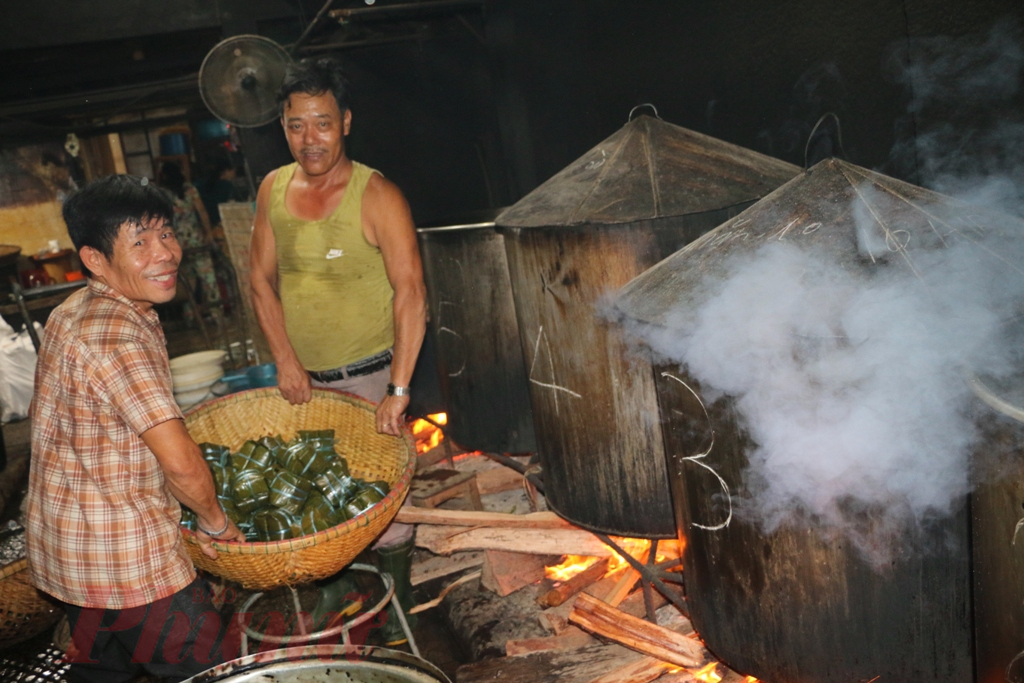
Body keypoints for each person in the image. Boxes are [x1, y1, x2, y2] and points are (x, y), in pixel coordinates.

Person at [25, 175, 246, 683]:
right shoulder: (120, 336)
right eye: (140, 243)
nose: (164, 254)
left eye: (166, 234)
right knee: (213, 672)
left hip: (72, 551)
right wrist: (215, 522)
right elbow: (181, 464)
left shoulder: (73, 311)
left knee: (102, 673)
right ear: (95, 260)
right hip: (132, 564)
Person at [249, 56, 426, 644]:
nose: (310, 139)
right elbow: (259, 280)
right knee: (321, 506)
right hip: (307, 386)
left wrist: (399, 390)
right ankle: (343, 613)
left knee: (386, 515)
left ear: (346, 121)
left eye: (322, 122)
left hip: (373, 378)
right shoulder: (273, 189)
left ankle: (395, 631)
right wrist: (286, 359)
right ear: (283, 126)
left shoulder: (378, 195)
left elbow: (411, 293)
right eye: (296, 125)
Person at [157, 161, 222, 325]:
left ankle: (190, 316)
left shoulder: (163, 195)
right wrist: (208, 233)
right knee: (208, 278)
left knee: (187, 281)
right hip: (196, 239)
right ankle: (217, 313)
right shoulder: (190, 190)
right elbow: (202, 213)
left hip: (177, 243)